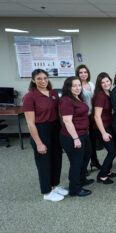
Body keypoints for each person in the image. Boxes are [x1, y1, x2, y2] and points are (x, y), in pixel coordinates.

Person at [23, 69, 67, 202]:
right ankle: (46, 192)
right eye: (39, 79)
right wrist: (38, 143)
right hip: (41, 130)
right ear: (33, 80)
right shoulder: (30, 96)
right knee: (44, 162)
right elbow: (30, 123)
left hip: (55, 128)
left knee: (56, 159)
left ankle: (54, 186)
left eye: (45, 78)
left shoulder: (53, 93)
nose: (43, 81)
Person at [59, 76, 92, 197]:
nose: (78, 88)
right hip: (72, 136)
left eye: (79, 85)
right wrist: (75, 138)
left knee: (86, 156)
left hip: (83, 133)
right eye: (74, 86)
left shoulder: (77, 97)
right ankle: (75, 189)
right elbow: (67, 121)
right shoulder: (66, 100)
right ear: (68, 87)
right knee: (76, 162)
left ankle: (82, 179)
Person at [92, 72, 116, 184]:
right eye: (102, 82)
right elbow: (97, 116)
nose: (105, 83)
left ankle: (107, 171)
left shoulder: (109, 93)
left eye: (107, 81)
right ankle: (102, 175)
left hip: (109, 124)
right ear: (99, 84)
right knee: (112, 151)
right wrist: (103, 133)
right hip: (102, 127)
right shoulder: (100, 96)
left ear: (110, 81)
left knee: (113, 150)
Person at [76, 64, 101, 172]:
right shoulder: (76, 85)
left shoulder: (91, 84)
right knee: (84, 142)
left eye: (85, 72)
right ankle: (83, 167)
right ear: (77, 74)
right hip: (82, 117)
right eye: (81, 72)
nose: (83, 74)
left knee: (92, 141)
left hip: (92, 116)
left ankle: (94, 161)